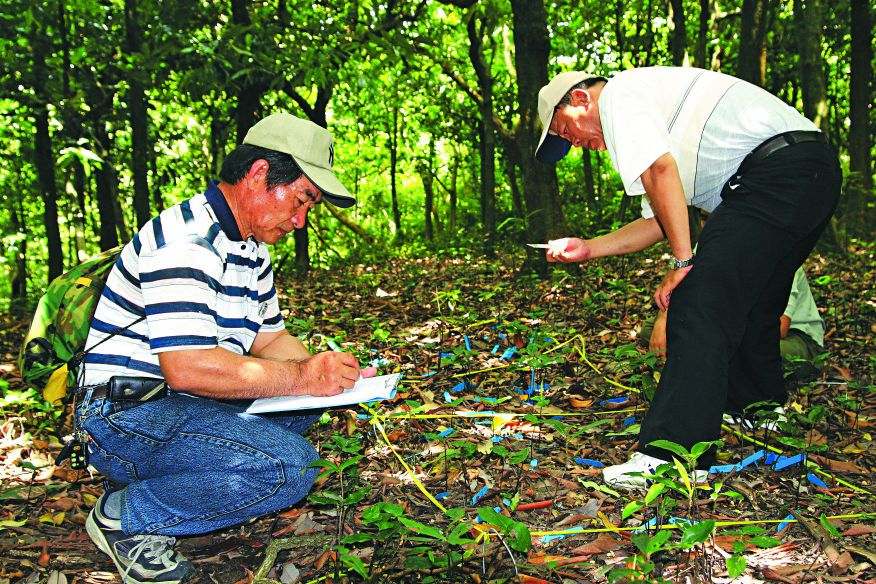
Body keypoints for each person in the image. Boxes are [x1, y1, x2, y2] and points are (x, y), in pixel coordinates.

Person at [74, 113, 377, 583]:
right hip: (126, 416)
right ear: (259, 174)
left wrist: (326, 374)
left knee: (301, 409)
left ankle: (178, 477)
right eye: (301, 200)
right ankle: (127, 515)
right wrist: (300, 376)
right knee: (290, 466)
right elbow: (189, 369)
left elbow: (270, 339)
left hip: (183, 406)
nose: (300, 221)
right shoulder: (187, 241)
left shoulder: (250, 249)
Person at [534, 67, 840, 489]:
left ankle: (672, 455)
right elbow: (659, 220)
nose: (575, 144)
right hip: (811, 169)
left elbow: (660, 173)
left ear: (581, 100)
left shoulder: (619, 96)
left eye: (565, 131)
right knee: (756, 301)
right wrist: (589, 246)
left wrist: (683, 265)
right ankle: (758, 409)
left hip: (774, 173)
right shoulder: (658, 117)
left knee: (697, 303)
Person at [640, 268, 825, 380]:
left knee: (747, 352)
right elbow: (680, 289)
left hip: (796, 340)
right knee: (652, 328)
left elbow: (778, 328)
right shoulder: (712, 244)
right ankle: (708, 357)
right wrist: (662, 320)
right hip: (732, 329)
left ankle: (703, 357)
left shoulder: (783, 253)